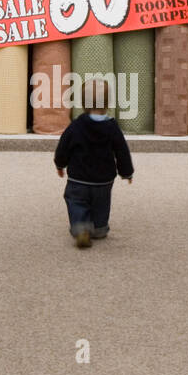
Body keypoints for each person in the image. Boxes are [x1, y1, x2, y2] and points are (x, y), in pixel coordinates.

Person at [53, 79, 134, 249]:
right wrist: (126, 172)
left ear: (83, 103)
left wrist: (60, 164)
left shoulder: (76, 126)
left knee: (76, 202)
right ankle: (99, 229)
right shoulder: (112, 127)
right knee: (101, 203)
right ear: (108, 104)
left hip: (78, 179)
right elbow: (122, 151)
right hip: (104, 180)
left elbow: (63, 147)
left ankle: (82, 228)